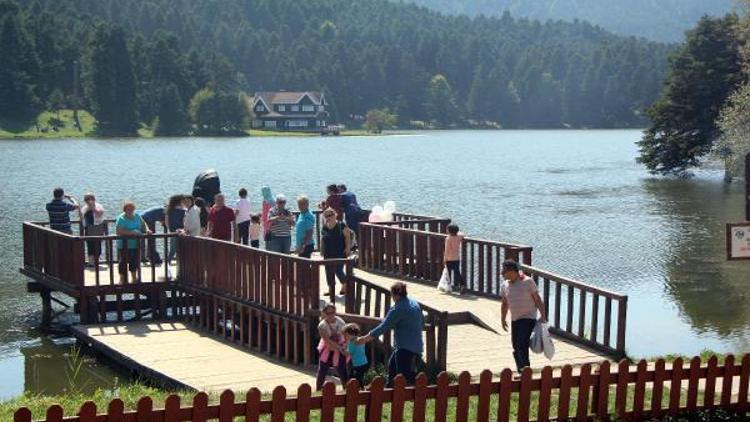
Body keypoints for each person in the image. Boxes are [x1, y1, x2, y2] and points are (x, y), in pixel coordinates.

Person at [356, 282, 423, 386]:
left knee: (404, 379)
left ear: (395, 295)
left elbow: (384, 326)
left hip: (405, 349)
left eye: (391, 295)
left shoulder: (398, 309)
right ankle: (389, 393)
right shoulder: (415, 304)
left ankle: (406, 397)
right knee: (392, 370)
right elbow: (421, 322)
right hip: (415, 346)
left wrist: (365, 338)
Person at [500, 259, 547, 375]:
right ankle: (521, 369)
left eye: (504, 271)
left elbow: (537, 300)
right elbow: (504, 303)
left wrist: (543, 315)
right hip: (515, 319)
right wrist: (502, 319)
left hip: (528, 318)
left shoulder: (528, 282)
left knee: (522, 343)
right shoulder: (505, 285)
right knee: (515, 346)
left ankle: (526, 369)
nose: (502, 274)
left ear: (512, 271)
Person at [115, 201, 151, 283]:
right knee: (123, 261)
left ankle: (134, 278)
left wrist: (147, 230)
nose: (131, 210)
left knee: (134, 261)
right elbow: (118, 231)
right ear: (124, 210)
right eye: (128, 209)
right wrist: (131, 232)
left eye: (132, 208)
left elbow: (143, 224)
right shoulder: (121, 218)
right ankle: (122, 278)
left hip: (136, 244)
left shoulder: (137, 216)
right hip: (124, 244)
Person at [320, 208, 352, 296]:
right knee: (328, 271)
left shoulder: (341, 225)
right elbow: (323, 239)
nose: (328, 217)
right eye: (326, 216)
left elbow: (347, 236)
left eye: (330, 215)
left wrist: (348, 248)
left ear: (335, 215)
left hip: (340, 251)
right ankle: (331, 289)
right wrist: (322, 250)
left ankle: (345, 284)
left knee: (338, 269)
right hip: (328, 252)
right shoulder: (325, 226)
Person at [316, 303, 348, 390]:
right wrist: (340, 348)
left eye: (333, 312)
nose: (331, 315)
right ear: (324, 313)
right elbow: (327, 340)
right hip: (327, 348)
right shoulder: (322, 326)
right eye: (328, 313)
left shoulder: (341, 322)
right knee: (323, 369)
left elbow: (346, 335)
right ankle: (318, 388)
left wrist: (344, 347)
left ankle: (346, 388)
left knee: (342, 369)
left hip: (340, 346)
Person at [80, 193, 105, 267]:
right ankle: (91, 262)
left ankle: (97, 260)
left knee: (98, 244)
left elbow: (99, 214)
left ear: (94, 199)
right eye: (87, 200)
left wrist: (93, 208)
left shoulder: (99, 206)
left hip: (98, 227)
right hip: (89, 228)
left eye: (90, 199)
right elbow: (81, 217)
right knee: (90, 244)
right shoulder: (84, 208)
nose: (88, 201)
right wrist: (88, 208)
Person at [343, 323, 368, 388]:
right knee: (359, 377)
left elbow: (348, 353)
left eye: (346, 335)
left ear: (352, 334)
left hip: (357, 364)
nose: (345, 336)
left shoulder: (352, 342)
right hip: (364, 362)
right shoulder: (361, 339)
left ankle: (360, 389)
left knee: (355, 379)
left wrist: (342, 349)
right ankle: (361, 388)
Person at [444, 224, 465, 294]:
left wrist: (444, 259)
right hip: (456, 258)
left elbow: (446, 250)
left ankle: (449, 287)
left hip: (449, 259)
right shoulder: (459, 237)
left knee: (448, 273)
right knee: (457, 272)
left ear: (449, 231)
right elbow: (462, 234)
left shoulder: (448, 238)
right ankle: (462, 284)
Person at [164, 194, 185, 266]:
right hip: (181, 231)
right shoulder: (183, 211)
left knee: (172, 249)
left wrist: (170, 229)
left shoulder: (169, 210)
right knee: (181, 248)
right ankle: (180, 263)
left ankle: (167, 263)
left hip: (172, 231)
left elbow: (166, 222)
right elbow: (184, 222)